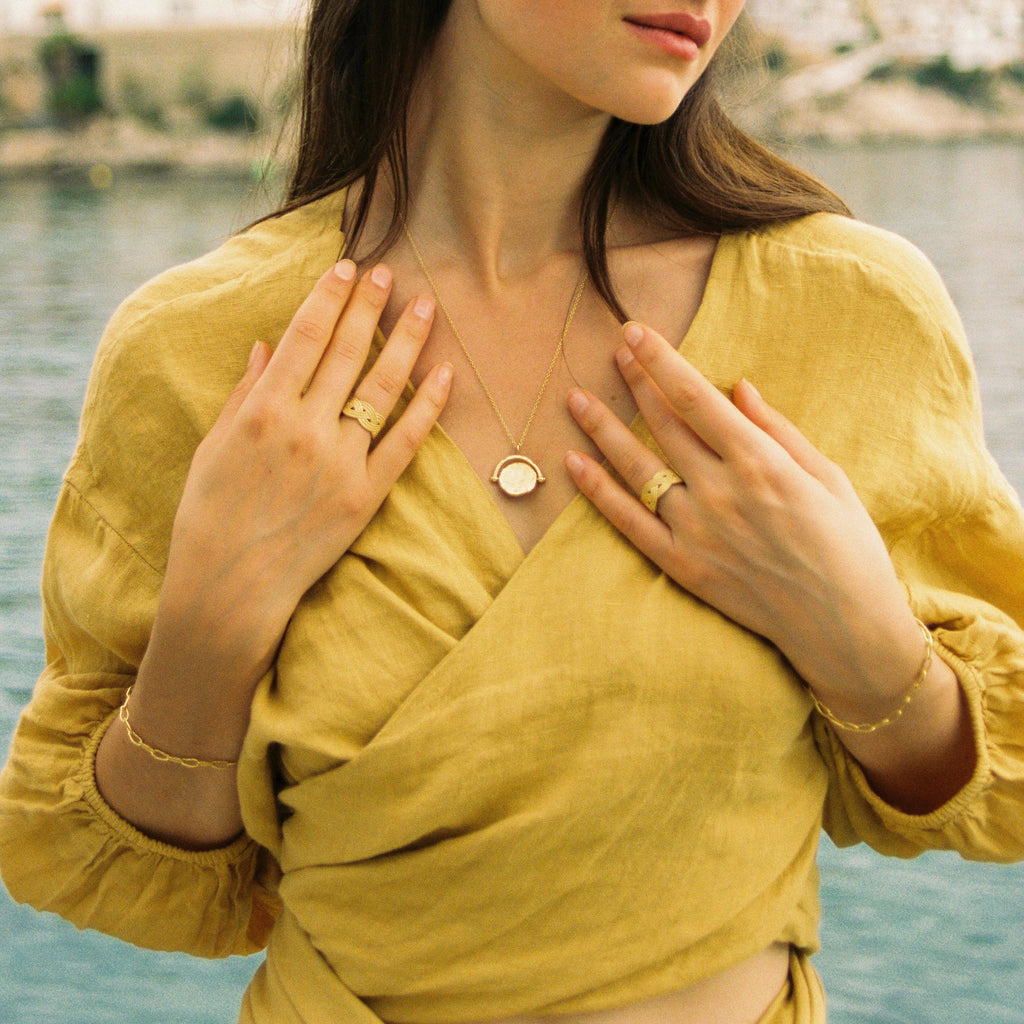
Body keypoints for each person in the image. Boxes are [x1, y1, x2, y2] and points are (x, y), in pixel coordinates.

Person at [1, 2, 1022, 1022]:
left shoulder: (847, 309)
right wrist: (212, 624)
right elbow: (115, 871)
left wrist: (868, 646)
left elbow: (990, 791)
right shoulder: (197, 352)